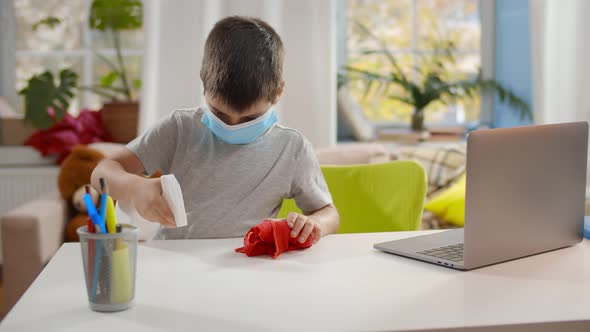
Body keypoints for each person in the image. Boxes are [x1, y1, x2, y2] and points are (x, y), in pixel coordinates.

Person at [91, 16, 339, 243]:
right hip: (174, 265)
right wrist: (133, 188)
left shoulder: (292, 149)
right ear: (203, 83)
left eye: (250, 117)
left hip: (248, 268)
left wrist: (315, 223)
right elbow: (102, 172)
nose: (231, 125)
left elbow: (328, 213)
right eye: (219, 113)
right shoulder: (178, 129)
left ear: (278, 93)